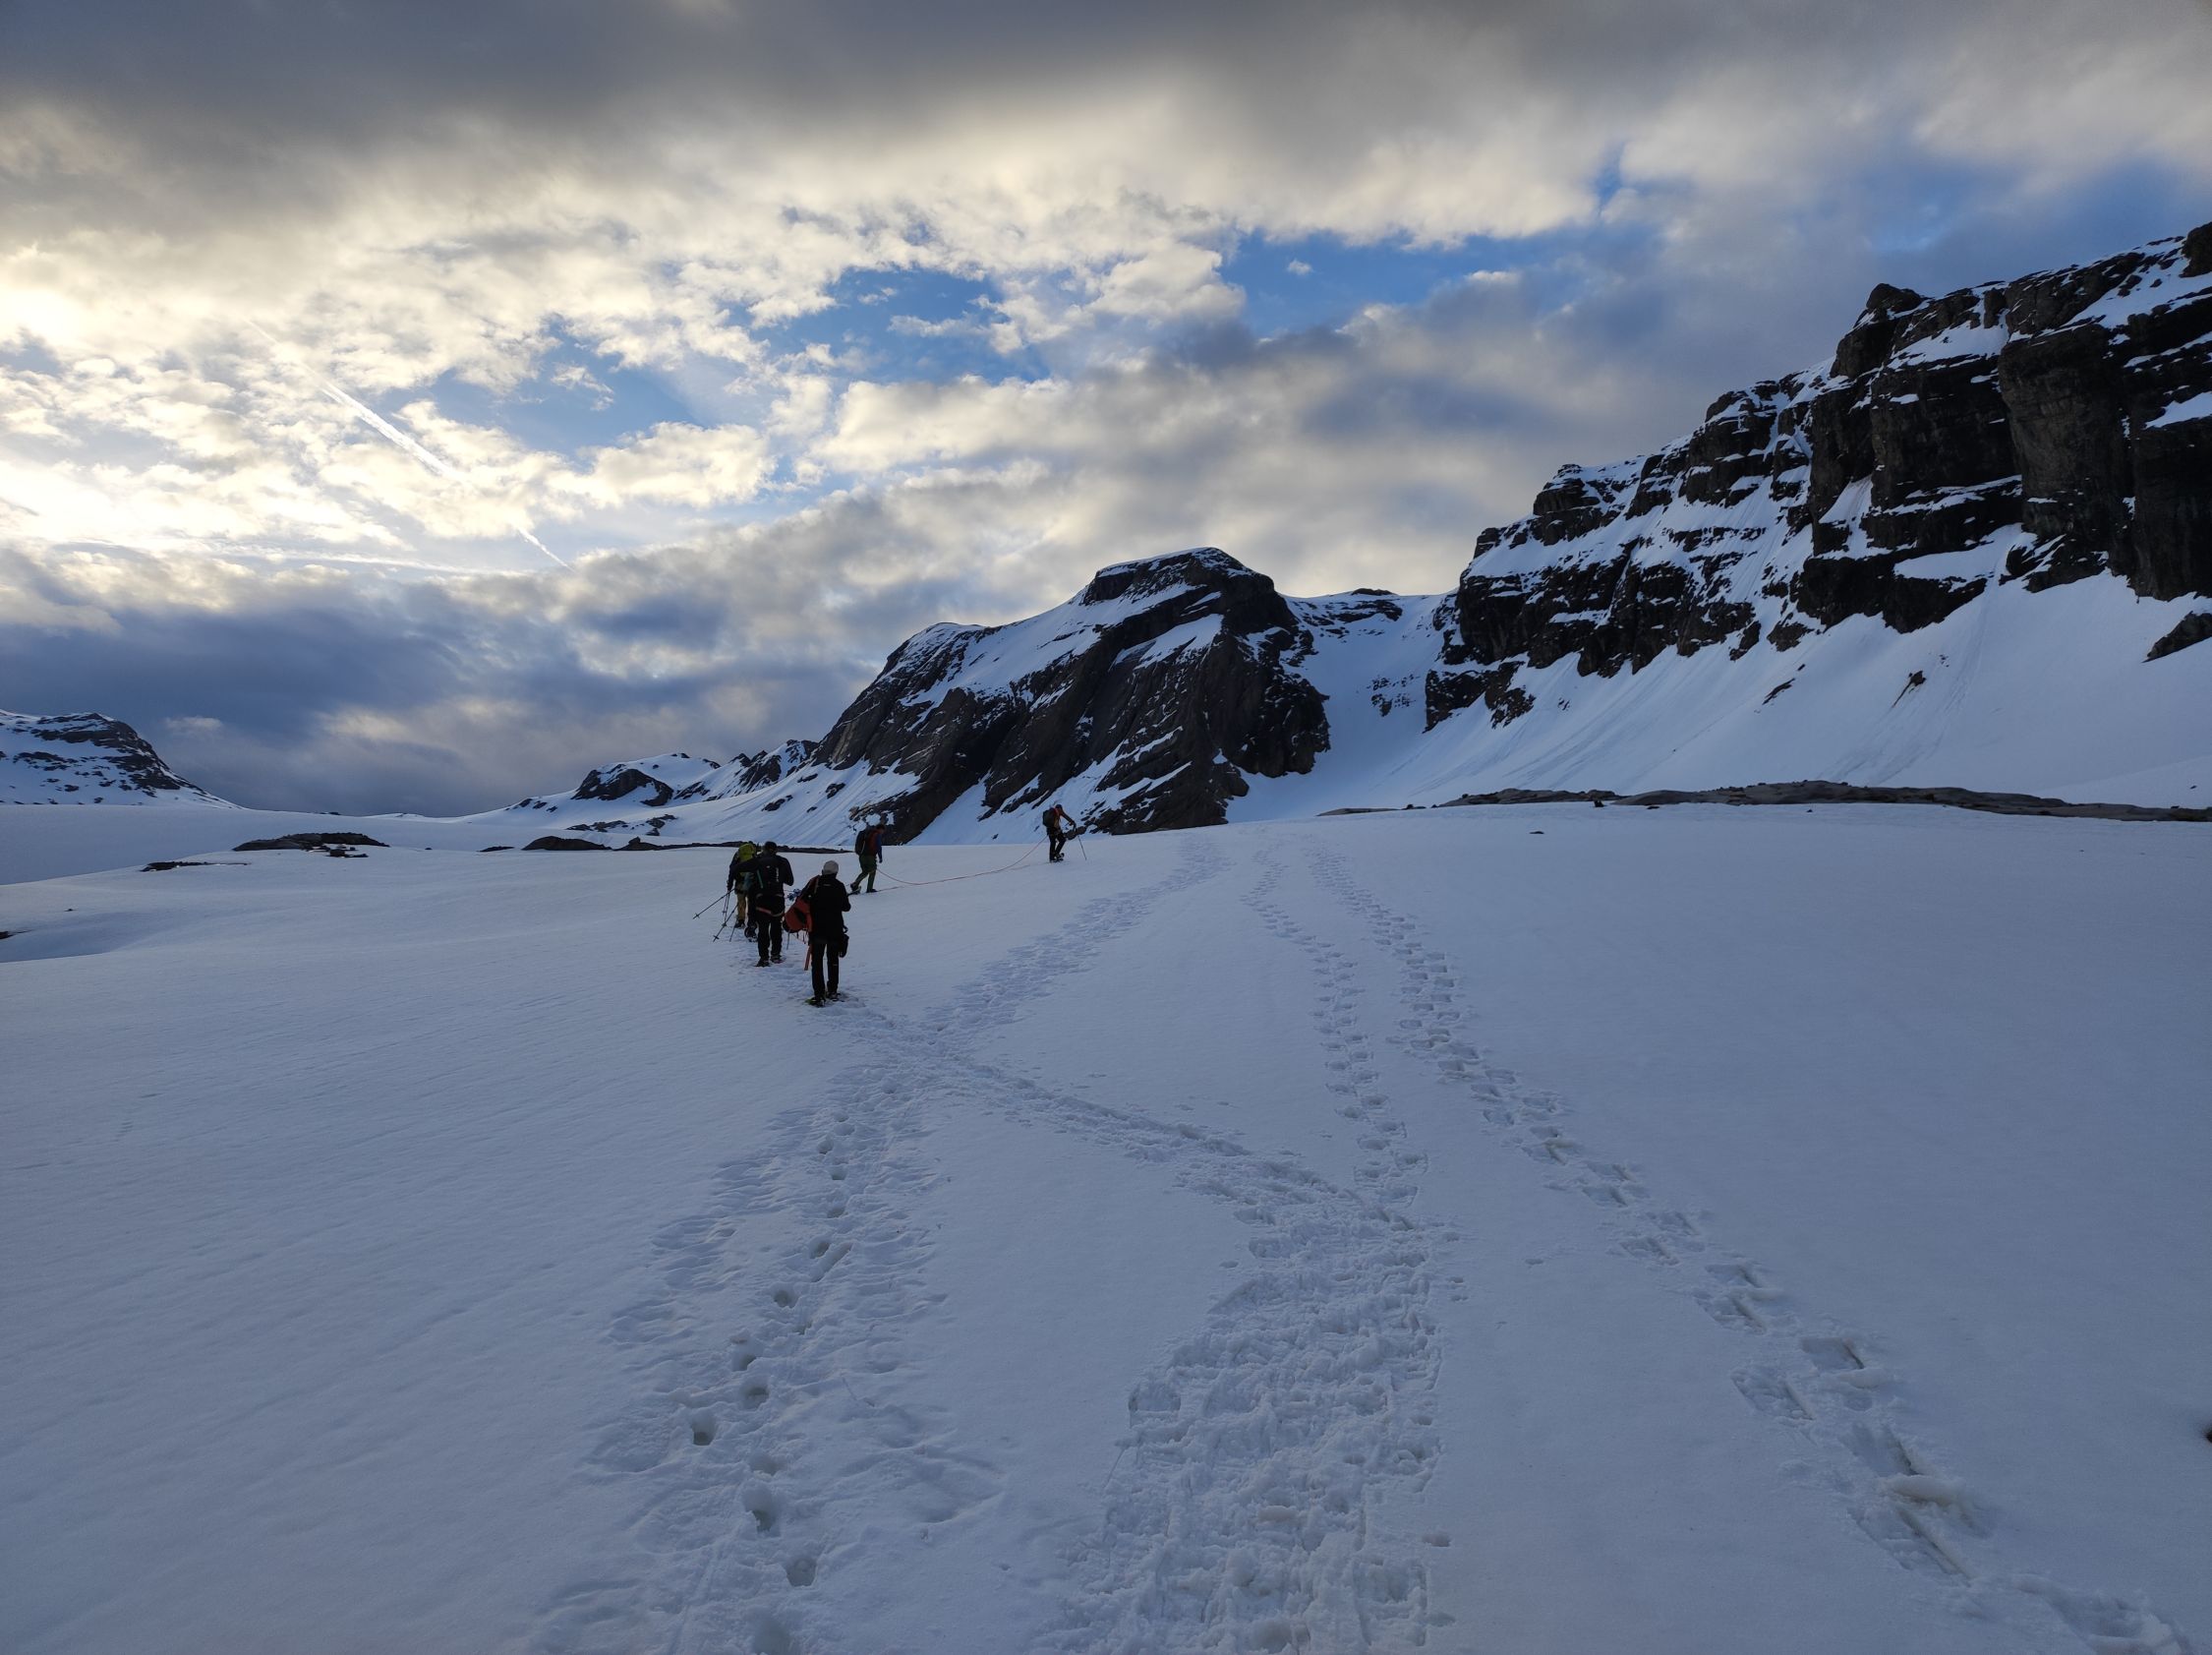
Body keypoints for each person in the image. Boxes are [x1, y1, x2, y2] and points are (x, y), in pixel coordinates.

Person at [801, 859, 852, 1005]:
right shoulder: (839, 886)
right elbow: (846, 907)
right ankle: (832, 991)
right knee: (833, 960)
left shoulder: (815, 884)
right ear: (836, 872)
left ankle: (819, 995)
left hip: (817, 929)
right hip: (835, 929)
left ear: (823, 870)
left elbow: (803, 900)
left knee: (817, 961)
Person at [746, 840, 795, 966]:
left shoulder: (757, 860)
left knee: (763, 929)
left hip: (761, 899)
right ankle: (775, 955)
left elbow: (750, 880)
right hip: (778, 898)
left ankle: (763, 958)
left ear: (764, 849)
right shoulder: (783, 861)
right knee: (776, 927)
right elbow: (790, 881)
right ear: (776, 850)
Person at [727, 840, 759, 936]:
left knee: (741, 900)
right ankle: (753, 920)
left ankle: (741, 920)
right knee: (752, 901)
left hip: (739, 882)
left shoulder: (738, 855)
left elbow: (732, 869)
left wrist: (730, 884)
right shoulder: (754, 855)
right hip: (752, 882)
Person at [850, 820, 886, 894]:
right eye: (883, 830)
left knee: (865, 872)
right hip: (870, 857)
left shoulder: (867, 833)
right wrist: (880, 857)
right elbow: (878, 847)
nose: (883, 832)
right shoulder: (876, 834)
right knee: (872, 872)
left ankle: (855, 884)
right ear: (880, 829)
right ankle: (869, 889)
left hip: (861, 856)